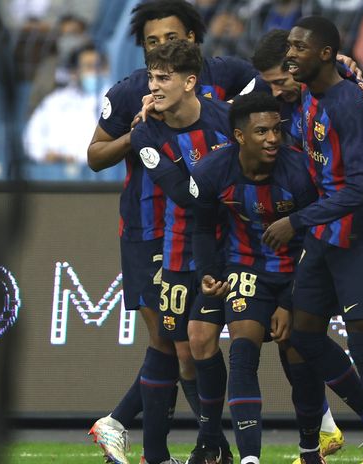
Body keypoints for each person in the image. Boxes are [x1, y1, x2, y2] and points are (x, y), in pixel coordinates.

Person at [86, 2, 261, 463]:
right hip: (150, 229)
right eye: (151, 43)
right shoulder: (131, 96)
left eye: (170, 39)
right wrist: (138, 130)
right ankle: (162, 447)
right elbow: (95, 155)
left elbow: (271, 90)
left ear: (193, 38)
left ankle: (135, 429)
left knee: (195, 340)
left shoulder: (223, 81)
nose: (160, 49)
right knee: (170, 341)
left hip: (211, 229)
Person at [262, 17, 363, 464]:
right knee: (304, 334)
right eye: (289, 47)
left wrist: (296, 222)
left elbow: (359, 188)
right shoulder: (307, 96)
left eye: (300, 48)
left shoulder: (348, 106)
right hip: (325, 230)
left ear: (325, 54)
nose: (290, 55)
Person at [190, 91, 321, 464]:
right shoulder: (211, 171)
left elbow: (316, 240)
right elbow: (202, 229)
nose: (273, 139)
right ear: (239, 137)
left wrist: (288, 302)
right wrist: (209, 274)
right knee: (243, 352)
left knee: (299, 358)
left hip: (297, 272)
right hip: (245, 268)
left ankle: (311, 449)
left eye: (276, 129)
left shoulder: (299, 173)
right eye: (262, 131)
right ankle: (250, 458)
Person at [130, 40, 233, 464]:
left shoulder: (224, 119)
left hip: (230, 243)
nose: (154, 87)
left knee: (208, 338)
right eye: (152, 77)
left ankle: (214, 445)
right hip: (178, 246)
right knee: (183, 352)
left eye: (164, 78)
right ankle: (216, 446)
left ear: (190, 82)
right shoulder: (144, 132)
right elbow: (181, 191)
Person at [24, 43, 109, 164]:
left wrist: (77, 158)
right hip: (55, 174)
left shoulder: (112, 98)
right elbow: (31, 137)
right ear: (74, 72)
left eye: (98, 66)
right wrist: (45, 154)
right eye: (88, 66)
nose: (94, 71)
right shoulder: (55, 101)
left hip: (97, 175)